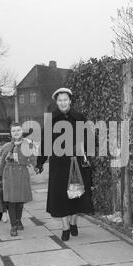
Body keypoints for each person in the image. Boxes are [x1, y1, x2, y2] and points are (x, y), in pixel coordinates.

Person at [35, 88, 94, 241]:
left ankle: (73, 223)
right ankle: (65, 227)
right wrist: (40, 161)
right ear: (57, 102)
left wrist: (83, 148)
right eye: (60, 100)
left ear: (70, 100)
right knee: (61, 196)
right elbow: (45, 142)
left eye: (65, 99)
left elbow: (89, 137)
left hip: (77, 162)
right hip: (59, 165)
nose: (62, 102)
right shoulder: (52, 119)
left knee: (77, 194)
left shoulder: (79, 117)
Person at [0, 122, 35, 237]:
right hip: (9, 176)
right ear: (11, 133)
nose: (16, 132)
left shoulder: (28, 145)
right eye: (14, 131)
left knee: (20, 201)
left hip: (22, 175)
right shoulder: (6, 147)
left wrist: (37, 166)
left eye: (18, 130)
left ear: (22, 131)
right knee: (11, 202)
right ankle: (13, 225)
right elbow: (2, 163)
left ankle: (18, 220)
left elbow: (33, 159)